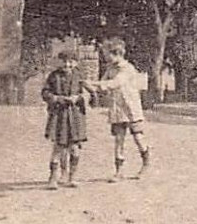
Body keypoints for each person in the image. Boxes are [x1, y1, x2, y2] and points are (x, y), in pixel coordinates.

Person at [84, 38, 152, 181]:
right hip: (117, 109)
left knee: (138, 137)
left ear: (116, 53)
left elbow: (115, 83)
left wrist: (94, 83)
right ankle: (118, 171)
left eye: (106, 53)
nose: (104, 56)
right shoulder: (110, 69)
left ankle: (146, 163)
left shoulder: (127, 68)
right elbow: (103, 83)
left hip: (131, 108)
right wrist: (91, 88)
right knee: (119, 139)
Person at [40, 50, 89, 189]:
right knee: (58, 147)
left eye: (71, 62)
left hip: (75, 115)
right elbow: (45, 92)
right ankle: (53, 178)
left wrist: (78, 98)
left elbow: (88, 93)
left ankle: (72, 177)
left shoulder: (80, 76)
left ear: (76, 62)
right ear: (59, 62)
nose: (67, 64)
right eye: (64, 61)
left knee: (74, 147)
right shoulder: (53, 76)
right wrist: (56, 98)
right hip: (59, 115)